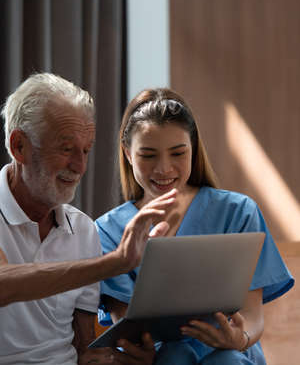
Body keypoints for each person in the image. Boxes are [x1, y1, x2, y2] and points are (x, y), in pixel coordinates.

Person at [95, 87, 294, 365]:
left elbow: (252, 316)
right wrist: (143, 353)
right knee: (173, 356)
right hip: (162, 360)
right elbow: (128, 327)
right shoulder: (106, 230)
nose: (164, 168)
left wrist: (240, 338)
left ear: (194, 149)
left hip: (229, 356)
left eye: (178, 153)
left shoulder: (237, 212)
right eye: (148, 155)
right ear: (128, 154)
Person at [0, 73, 177, 365]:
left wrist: (130, 357)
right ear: (19, 146)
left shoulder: (83, 229)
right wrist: (115, 262)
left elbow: (86, 350)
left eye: (86, 150)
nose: (80, 166)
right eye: (66, 149)